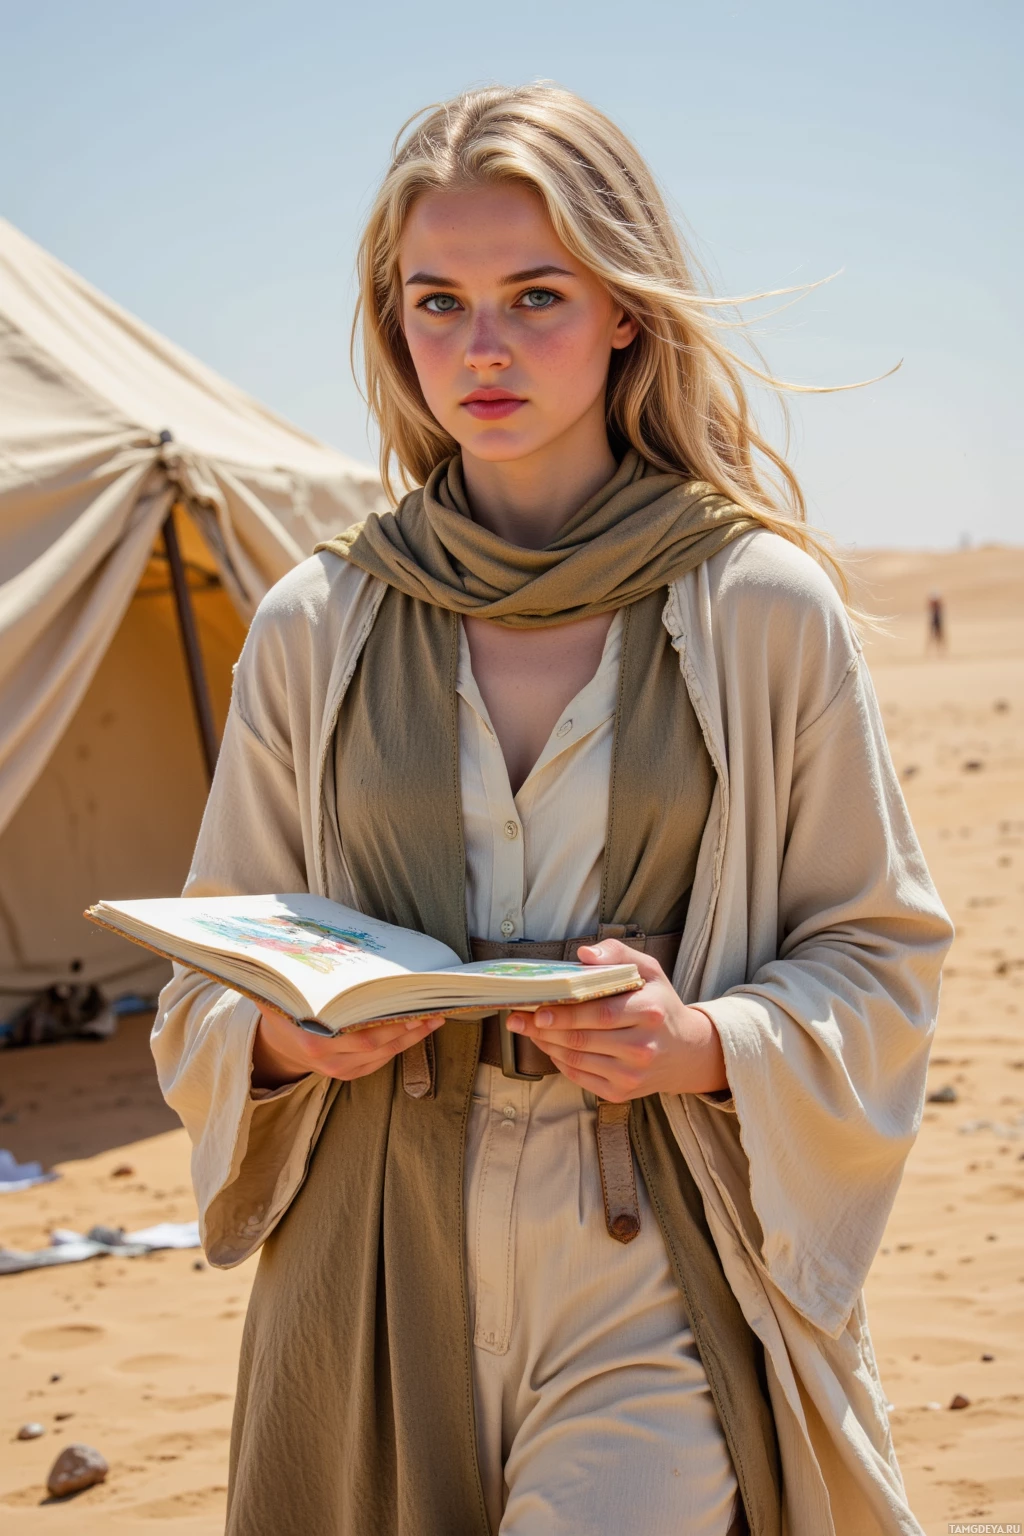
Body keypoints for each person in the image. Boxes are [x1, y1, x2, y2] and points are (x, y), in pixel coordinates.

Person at [152, 85, 953, 1536]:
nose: (484, 347)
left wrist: (703, 1042)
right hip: (370, 1272)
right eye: (437, 302)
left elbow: (878, 948)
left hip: (648, 1272)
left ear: (624, 311)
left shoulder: (761, 607)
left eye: (536, 295)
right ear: (394, 324)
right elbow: (207, 974)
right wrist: (285, 1031)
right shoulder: (313, 621)